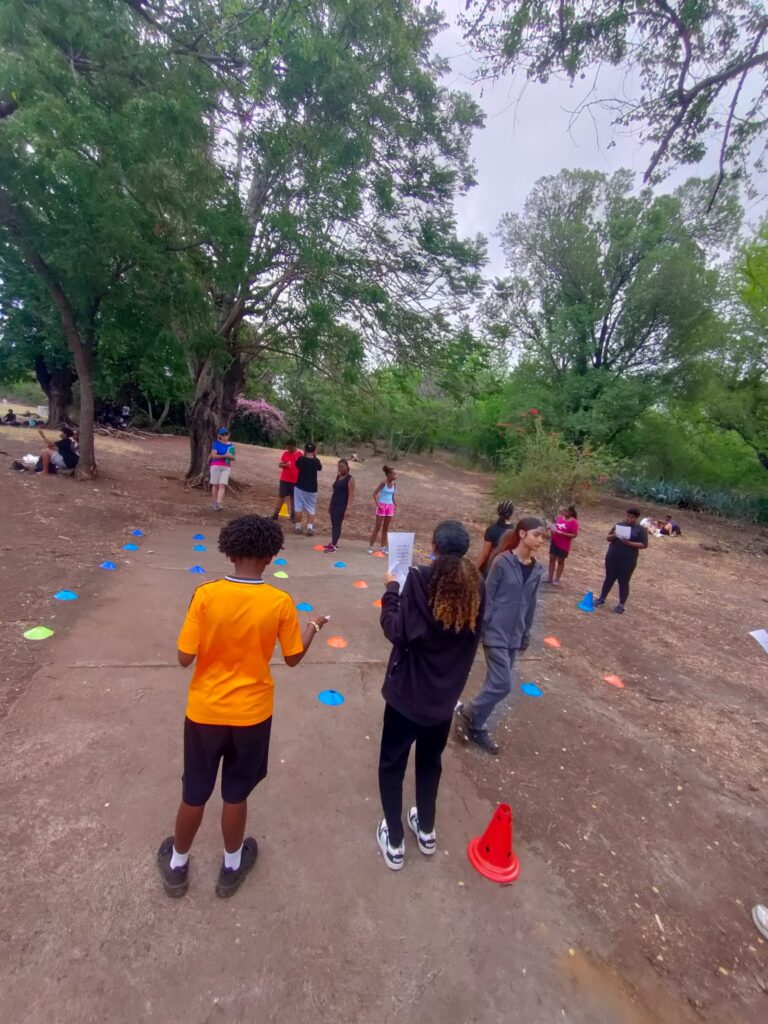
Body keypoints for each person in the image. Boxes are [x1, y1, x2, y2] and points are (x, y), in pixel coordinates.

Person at [157, 515, 330, 899]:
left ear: (229, 552)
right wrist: (314, 626)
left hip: (205, 712)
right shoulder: (280, 602)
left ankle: (178, 865)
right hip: (252, 714)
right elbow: (293, 658)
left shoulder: (206, 594)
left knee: (195, 790)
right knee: (236, 792)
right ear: (270, 557)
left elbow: (184, 657)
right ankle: (232, 867)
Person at [376, 520, 485, 870]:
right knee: (430, 762)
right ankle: (426, 829)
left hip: (406, 697)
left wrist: (391, 590)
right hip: (442, 701)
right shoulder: (477, 586)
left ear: (434, 547)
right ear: (465, 550)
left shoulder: (420, 579)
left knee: (392, 765)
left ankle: (394, 841)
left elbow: (397, 630)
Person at [455, 517, 546, 754]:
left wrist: (526, 633)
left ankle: (476, 726)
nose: (540, 540)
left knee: (494, 682)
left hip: (515, 635)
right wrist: (480, 629)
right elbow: (488, 597)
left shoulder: (537, 569)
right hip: (495, 631)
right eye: (537, 535)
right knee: (503, 683)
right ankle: (468, 712)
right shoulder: (502, 562)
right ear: (522, 534)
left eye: (543, 536)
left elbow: (531, 604)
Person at [595, 507, 649, 614]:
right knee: (609, 578)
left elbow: (644, 545)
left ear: (636, 518)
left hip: (628, 559)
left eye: (632, 517)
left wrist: (630, 543)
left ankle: (621, 605)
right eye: (628, 516)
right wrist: (615, 535)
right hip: (613, 555)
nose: (629, 518)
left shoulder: (640, 529)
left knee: (623, 581)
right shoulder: (619, 525)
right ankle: (601, 598)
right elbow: (608, 538)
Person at [324, 458, 355, 552]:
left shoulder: (350, 479)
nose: (340, 469)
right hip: (334, 503)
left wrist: (348, 508)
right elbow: (334, 492)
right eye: (339, 467)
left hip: (342, 505)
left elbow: (351, 494)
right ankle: (333, 542)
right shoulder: (338, 477)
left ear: (347, 467)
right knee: (333, 524)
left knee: (337, 524)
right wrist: (330, 504)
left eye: (342, 467)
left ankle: (334, 545)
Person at [477, 500, 514, 576]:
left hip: (490, 566)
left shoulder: (492, 529)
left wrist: (475, 568)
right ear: (511, 513)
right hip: (506, 566)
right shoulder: (514, 531)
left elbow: (485, 553)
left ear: (498, 511)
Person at [545, 504, 580, 585]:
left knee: (560, 561)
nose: (563, 512)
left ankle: (557, 579)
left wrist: (562, 533)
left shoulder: (574, 522)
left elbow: (574, 535)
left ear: (570, 512)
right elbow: (556, 527)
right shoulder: (560, 518)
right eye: (563, 510)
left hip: (564, 544)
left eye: (565, 511)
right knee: (552, 558)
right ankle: (549, 577)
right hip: (555, 541)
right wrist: (551, 528)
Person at [293, 442, 322, 536]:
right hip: (312, 488)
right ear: (314, 451)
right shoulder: (316, 461)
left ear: (305, 450)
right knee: (311, 508)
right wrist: (315, 456)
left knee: (298, 507)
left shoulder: (301, 459)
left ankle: (298, 527)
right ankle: (309, 527)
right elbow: (320, 468)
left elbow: (297, 465)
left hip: (300, 486)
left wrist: (304, 455)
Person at [368, 465, 397, 555]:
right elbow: (374, 494)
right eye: (394, 474)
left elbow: (393, 496)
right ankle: (370, 547)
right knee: (377, 527)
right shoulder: (383, 483)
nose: (395, 476)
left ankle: (383, 547)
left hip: (390, 507)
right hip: (382, 506)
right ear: (389, 474)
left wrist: (396, 505)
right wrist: (378, 505)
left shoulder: (394, 484)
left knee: (385, 527)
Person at [271, 439, 302, 522]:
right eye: (287, 447)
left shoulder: (299, 454)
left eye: (290, 448)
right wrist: (285, 465)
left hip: (295, 480)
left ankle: (293, 515)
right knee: (281, 496)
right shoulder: (285, 453)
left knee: (293, 498)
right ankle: (276, 514)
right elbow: (280, 464)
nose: (288, 449)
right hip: (284, 479)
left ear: (294, 446)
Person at [208, 427, 235, 511]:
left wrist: (230, 456)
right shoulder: (216, 444)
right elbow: (213, 455)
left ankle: (219, 503)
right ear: (220, 436)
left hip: (226, 467)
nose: (225, 436)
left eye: (226, 434)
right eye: (223, 434)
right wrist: (224, 455)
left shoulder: (231, 446)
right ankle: (215, 502)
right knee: (215, 485)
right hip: (216, 466)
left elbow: (233, 458)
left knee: (222, 484)